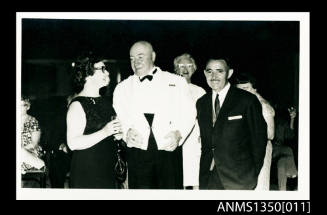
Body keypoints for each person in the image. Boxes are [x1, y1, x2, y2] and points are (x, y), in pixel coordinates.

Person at [113, 41, 196, 189]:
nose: (136, 62)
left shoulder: (177, 81)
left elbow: (190, 113)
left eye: (140, 56)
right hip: (137, 151)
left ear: (153, 56)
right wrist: (126, 133)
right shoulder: (121, 88)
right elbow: (119, 117)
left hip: (169, 149)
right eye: (132, 58)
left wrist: (179, 134)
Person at [196, 58, 267, 190]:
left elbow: (259, 140)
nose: (214, 76)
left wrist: (251, 174)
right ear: (205, 74)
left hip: (239, 178)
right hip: (209, 177)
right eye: (209, 71)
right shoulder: (201, 103)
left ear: (229, 73)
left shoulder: (247, 100)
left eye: (219, 71)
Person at [66, 52, 123, 188]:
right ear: (88, 74)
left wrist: (117, 135)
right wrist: (105, 132)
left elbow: (109, 134)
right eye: (102, 69)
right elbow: (72, 143)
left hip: (107, 170)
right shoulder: (77, 105)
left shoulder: (106, 102)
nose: (107, 73)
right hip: (87, 172)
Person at [236, 72, 275, 190]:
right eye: (240, 90)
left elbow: (270, 134)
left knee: (260, 184)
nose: (243, 92)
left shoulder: (263, 106)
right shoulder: (245, 104)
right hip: (245, 150)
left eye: (246, 88)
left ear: (255, 88)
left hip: (261, 148)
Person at [173, 53, 206, 190]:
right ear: (175, 69)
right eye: (181, 66)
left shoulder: (200, 91)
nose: (185, 69)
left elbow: (205, 119)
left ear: (194, 69)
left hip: (194, 141)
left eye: (189, 66)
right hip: (174, 139)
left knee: (194, 178)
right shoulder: (169, 88)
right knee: (177, 177)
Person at [46, 94, 76, 188]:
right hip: (65, 153)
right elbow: (52, 139)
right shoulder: (60, 117)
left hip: (84, 152)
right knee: (57, 163)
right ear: (68, 105)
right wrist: (62, 145)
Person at [21, 95, 45, 187]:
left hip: (30, 153)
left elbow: (34, 144)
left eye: (22, 105)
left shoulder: (33, 121)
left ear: (28, 107)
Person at [272, 105, 298, 190]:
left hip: (280, 150)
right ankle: (292, 172)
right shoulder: (266, 119)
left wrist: (292, 119)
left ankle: (282, 191)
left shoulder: (281, 122)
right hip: (270, 149)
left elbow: (290, 135)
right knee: (288, 150)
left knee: (282, 162)